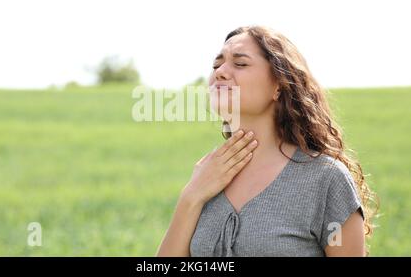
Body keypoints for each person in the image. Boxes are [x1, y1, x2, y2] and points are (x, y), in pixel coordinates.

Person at [156, 25, 377, 257]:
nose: (220, 72)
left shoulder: (326, 179)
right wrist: (191, 196)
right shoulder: (207, 175)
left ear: (279, 85)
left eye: (240, 63)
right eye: (216, 65)